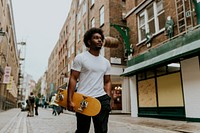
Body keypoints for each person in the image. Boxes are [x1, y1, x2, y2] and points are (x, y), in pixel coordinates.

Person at [67, 27, 112, 133]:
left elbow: (107, 81)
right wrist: (70, 99)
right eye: (96, 38)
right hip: (83, 99)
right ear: (89, 41)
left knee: (102, 130)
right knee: (82, 130)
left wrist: (108, 97)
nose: (99, 40)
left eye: (101, 38)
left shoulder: (106, 62)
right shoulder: (81, 58)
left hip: (101, 99)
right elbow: (73, 78)